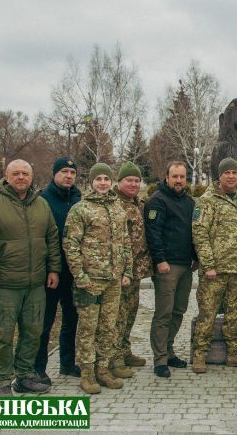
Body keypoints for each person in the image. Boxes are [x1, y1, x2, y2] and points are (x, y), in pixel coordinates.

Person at [0, 159, 61, 396]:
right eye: (16, 173)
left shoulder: (41, 205)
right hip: (4, 285)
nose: (21, 177)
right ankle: (1, 381)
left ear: (31, 177)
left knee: (33, 332)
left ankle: (25, 376)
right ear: (6, 176)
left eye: (25, 174)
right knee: (3, 336)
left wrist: (53, 269)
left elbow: (52, 239)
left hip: (35, 286)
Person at [64, 162, 132, 394]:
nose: (103, 182)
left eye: (106, 178)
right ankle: (87, 373)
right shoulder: (81, 209)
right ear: (92, 182)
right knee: (88, 328)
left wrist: (127, 272)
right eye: (98, 179)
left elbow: (125, 243)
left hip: (113, 280)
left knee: (108, 327)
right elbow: (70, 245)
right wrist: (79, 276)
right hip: (90, 281)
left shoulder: (117, 208)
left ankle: (103, 369)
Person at [191, 158, 237, 373]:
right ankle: (199, 355)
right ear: (219, 176)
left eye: (234, 173)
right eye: (226, 172)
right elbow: (199, 235)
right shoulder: (207, 201)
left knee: (236, 315)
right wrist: (208, 265)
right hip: (215, 271)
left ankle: (235, 355)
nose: (231, 176)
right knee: (207, 314)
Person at [144, 161, 197, 378]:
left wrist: (196, 258)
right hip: (167, 266)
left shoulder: (189, 202)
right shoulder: (157, 201)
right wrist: (160, 260)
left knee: (179, 310)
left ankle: (169, 349)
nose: (178, 181)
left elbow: (195, 232)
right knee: (164, 312)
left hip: (186, 265)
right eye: (174, 176)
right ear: (166, 177)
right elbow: (153, 234)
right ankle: (159, 359)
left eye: (182, 177)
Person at [34, 157, 82, 385]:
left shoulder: (78, 198)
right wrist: (50, 268)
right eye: (64, 172)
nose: (69, 176)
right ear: (54, 174)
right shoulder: (43, 200)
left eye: (72, 173)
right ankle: (38, 368)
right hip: (51, 272)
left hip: (74, 271)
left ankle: (67, 363)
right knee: (45, 322)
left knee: (72, 319)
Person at [109, 162, 153, 379]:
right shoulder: (113, 204)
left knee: (131, 311)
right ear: (120, 182)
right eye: (129, 180)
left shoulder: (138, 203)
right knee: (117, 315)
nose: (134, 184)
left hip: (136, 271)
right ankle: (114, 358)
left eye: (137, 180)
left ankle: (125, 351)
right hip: (119, 272)